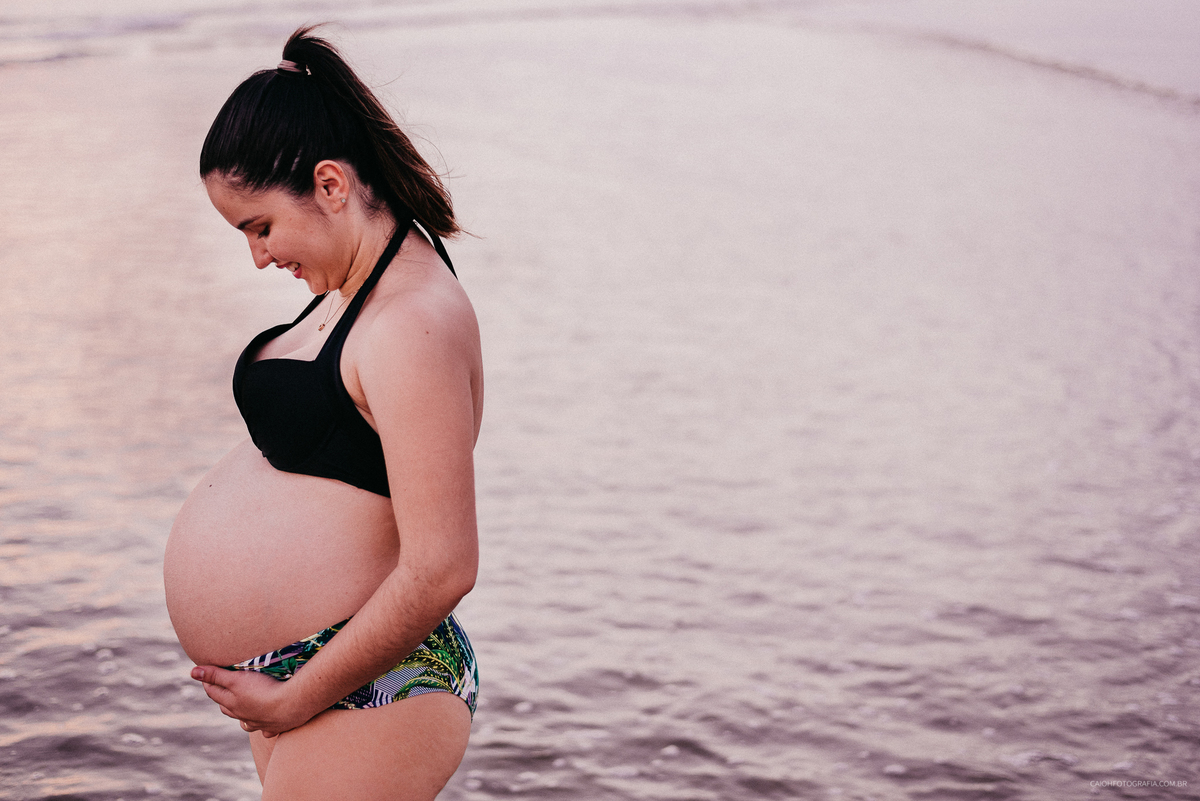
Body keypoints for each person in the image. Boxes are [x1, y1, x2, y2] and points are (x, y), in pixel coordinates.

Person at [163, 25, 482, 800]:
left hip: (381, 682)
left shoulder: (411, 321)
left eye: (260, 226)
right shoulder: (352, 288)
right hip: (307, 677)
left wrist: (300, 695)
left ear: (331, 185)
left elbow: (444, 565)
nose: (259, 257)